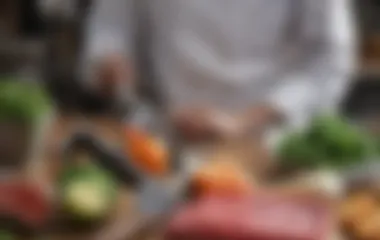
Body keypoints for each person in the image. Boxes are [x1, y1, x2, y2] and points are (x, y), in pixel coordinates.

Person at [81, 0, 356, 140]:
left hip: (268, 146)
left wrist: (245, 121)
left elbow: (329, 59)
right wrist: (110, 60)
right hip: (168, 135)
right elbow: (111, 25)